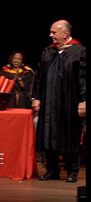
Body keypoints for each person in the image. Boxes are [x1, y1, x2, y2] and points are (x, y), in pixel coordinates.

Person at [32, 20, 86, 183]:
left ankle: (72, 171)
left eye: (54, 32)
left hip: (70, 102)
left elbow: (83, 78)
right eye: (51, 32)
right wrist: (37, 97)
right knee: (49, 134)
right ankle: (52, 170)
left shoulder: (79, 51)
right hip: (49, 102)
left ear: (65, 33)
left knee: (69, 135)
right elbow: (39, 77)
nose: (51, 35)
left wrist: (83, 101)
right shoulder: (48, 51)